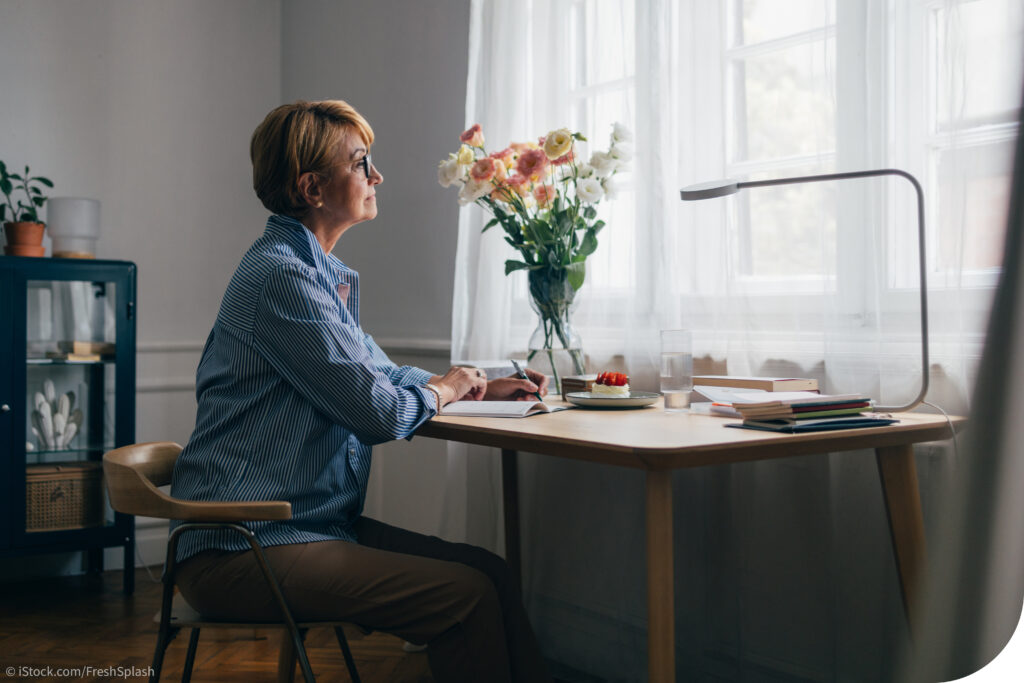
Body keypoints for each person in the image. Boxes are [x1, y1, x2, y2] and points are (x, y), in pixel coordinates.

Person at [169, 99, 553, 683]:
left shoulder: (312, 272)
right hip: (243, 547)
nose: (377, 176)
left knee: (490, 573)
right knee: (466, 594)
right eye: (361, 163)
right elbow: (376, 411)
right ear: (311, 187)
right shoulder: (282, 278)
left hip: (305, 527)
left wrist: (475, 387)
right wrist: (444, 391)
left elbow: (379, 374)